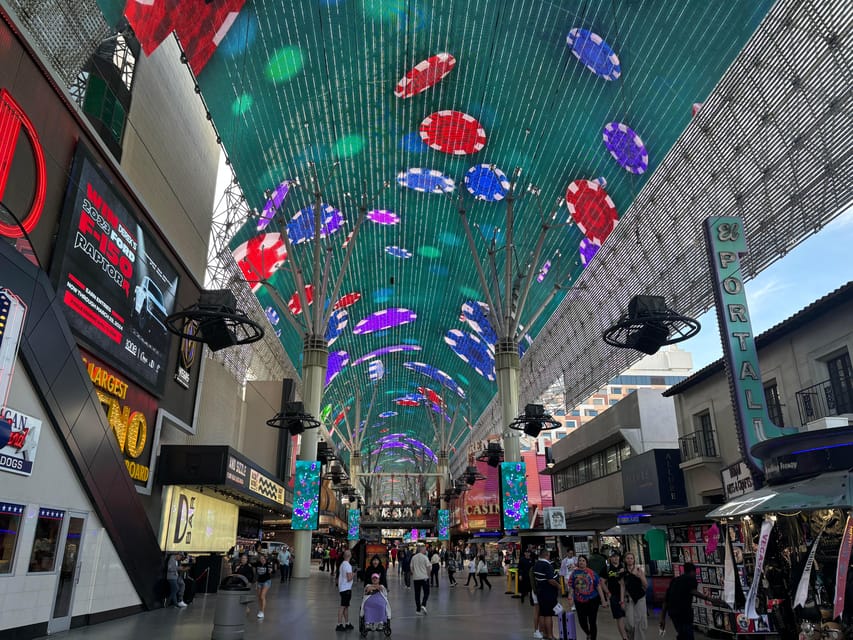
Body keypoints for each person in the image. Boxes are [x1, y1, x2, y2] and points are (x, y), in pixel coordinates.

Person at [660, 562, 727, 640]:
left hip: (673, 613)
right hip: (684, 613)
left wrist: (662, 618)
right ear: (693, 571)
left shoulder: (675, 580)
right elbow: (693, 591)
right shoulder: (691, 579)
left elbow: (665, 600)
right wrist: (710, 599)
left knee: (682, 634)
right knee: (687, 635)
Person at [566, 555, 608, 640]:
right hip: (579, 601)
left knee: (592, 622)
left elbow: (598, 587)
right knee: (582, 622)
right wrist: (570, 597)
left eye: (583, 560)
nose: (581, 562)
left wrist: (603, 600)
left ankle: (593, 638)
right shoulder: (574, 573)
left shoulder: (592, 573)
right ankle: (588, 633)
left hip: (592, 600)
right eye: (580, 560)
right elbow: (571, 587)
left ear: (586, 563)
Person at [533, 549, 561, 640]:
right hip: (548, 592)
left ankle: (544, 633)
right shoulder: (547, 565)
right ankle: (550, 635)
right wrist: (559, 586)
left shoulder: (536, 564)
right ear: (547, 555)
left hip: (540, 592)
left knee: (542, 613)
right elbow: (551, 580)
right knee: (548, 615)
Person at [623, 552, 648, 640]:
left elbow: (645, 585)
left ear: (634, 560)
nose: (629, 560)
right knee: (630, 623)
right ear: (625, 560)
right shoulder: (623, 571)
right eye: (628, 558)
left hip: (640, 598)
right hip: (629, 599)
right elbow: (622, 586)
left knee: (640, 622)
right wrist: (622, 600)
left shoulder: (638, 570)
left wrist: (640, 576)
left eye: (631, 558)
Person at [605, 550, 628, 640]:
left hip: (626, 595)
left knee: (629, 618)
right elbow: (601, 582)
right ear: (610, 558)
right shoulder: (607, 568)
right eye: (613, 556)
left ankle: (628, 633)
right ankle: (625, 637)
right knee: (620, 617)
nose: (616, 558)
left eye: (617, 556)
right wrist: (608, 593)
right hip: (614, 596)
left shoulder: (624, 567)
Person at [336, 550, 355, 631]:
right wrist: (354, 573)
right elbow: (349, 578)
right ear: (350, 556)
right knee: (343, 607)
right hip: (346, 589)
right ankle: (339, 624)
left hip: (343, 588)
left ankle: (347, 623)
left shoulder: (342, 564)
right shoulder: (347, 565)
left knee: (346, 607)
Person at [411, 544, 432, 614]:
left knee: (417, 594)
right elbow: (428, 567)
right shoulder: (425, 557)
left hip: (416, 578)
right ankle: (423, 604)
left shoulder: (413, 557)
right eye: (425, 549)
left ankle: (418, 610)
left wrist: (414, 573)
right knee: (427, 592)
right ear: (421, 550)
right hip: (424, 577)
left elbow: (411, 568)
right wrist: (428, 575)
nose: (425, 550)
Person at [254, 553, 274, 619]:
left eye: (263, 558)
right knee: (259, 597)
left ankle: (262, 612)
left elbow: (272, 571)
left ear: (265, 559)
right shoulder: (258, 564)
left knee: (262, 596)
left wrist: (271, 571)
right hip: (259, 582)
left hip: (267, 581)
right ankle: (260, 610)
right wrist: (256, 582)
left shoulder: (268, 564)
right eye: (260, 559)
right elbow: (256, 573)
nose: (262, 560)